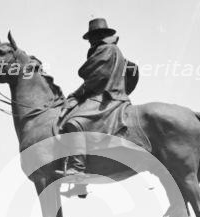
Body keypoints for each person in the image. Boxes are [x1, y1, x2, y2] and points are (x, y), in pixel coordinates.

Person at [56, 18, 139, 177]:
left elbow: (97, 78)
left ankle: (77, 168)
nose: (90, 41)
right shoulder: (111, 50)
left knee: (74, 122)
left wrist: (75, 95)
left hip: (106, 97)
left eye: (92, 36)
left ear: (99, 35)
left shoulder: (106, 50)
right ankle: (81, 183)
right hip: (111, 95)